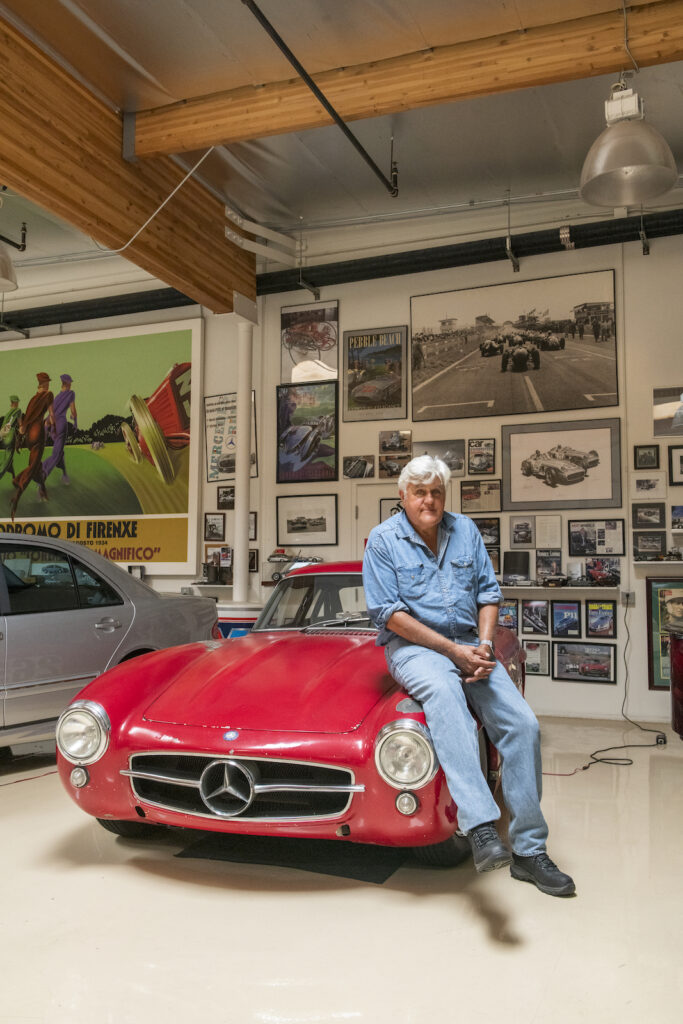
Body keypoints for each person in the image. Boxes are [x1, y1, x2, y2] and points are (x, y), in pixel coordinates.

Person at [362, 455, 574, 897]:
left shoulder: (466, 532)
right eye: (420, 492)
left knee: (523, 725)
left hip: (470, 646)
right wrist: (452, 653)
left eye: (436, 491)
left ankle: (529, 853)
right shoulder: (382, 542)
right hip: (417, 651)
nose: (429, 500)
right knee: (445, 697)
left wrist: (482, 644)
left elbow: (489, 594)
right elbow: (390, 616)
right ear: (403, 497)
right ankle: (479, 824)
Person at [10, 372, 55, 520]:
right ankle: (17, 494)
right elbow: (51, 415)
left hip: (29, 436)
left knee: (36, 466)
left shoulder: (32, 400)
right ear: (44, 384)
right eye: (47, 382)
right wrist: (52, 425)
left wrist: (21, 437)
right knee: (32, 467)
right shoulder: (48, 395)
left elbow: (23, 426)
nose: (48, 385)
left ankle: (43, 490)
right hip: (38, 432)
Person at [42, 373, 77, 484]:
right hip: (61, 425)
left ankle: (65, 476)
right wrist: (74, 419)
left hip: (52, 426)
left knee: (60, 452)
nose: (71, 385)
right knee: (56, 455)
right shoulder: (71, 394)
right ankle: (43, 473)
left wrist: (47, 427)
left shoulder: (56, 397)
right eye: (70, 383)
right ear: (67, 384)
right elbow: (73, 412)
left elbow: (50, 414)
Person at [0, 394, 22, 479]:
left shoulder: (8, 414)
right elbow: (20, 425)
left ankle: (13, 476)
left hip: (3, 435)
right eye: (17, 402)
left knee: (8, 457)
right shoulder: (18, 410)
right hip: (10, 435)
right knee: (7, 459)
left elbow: (3, 428)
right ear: (15, 403)